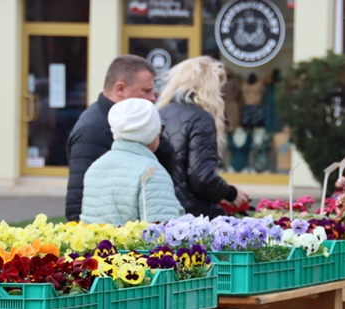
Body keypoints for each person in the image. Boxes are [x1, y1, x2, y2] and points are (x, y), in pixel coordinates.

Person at [65, 55, 173, 221]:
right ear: (120, 89)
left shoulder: (135, 123)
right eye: (146, 91)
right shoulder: (92, 130)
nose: (153, 97)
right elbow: (77, 205)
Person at [156, 56, 248, 217]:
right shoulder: (201, 118)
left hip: (162, 207)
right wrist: (230, 193)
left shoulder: (159, 112)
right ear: (209, 86)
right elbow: (202, 178)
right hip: (191, 214)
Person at [80, 98, 184, 225]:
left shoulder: (95, 168)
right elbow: (163, 234)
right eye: (159, 129)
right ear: (150, 132)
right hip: (134, 246)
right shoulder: (152, 172)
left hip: (100, 245)